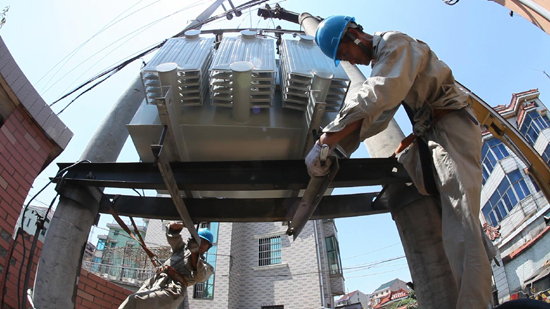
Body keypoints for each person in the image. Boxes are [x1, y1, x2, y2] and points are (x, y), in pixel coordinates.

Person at [306, 15, 494, 309]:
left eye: (345, 53)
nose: (350, 60)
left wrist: (326, 140)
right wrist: (334, 145)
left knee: (461, 223)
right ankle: (482, 271)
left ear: (354, 35)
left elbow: (377, 95)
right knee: (457, 218)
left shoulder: (394, 43)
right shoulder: (389, 56)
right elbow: (378, 116)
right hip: (437, 130)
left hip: (449, 126)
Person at [118, 223, 214, 309]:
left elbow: (200, 275)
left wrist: (194, 252)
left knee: (135, 300)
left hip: (172, 289)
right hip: (156, 280)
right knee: (135, 302)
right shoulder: (181, 248)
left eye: (204, 242)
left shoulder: (207, 267)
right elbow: (173, 235)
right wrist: (182, 224)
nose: (201, 243)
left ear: (208, 247)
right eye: (199, 239)